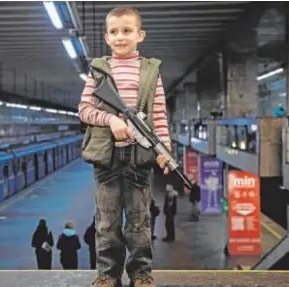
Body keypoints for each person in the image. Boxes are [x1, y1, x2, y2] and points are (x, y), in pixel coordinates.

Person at [78, 6, 172, 287]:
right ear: (107, 38)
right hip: (107, 156)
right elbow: (84, 110)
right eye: (114, 32)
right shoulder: (98, 71)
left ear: (140, 35)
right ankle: (107, 275)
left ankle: (141, 274)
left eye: (127, 31)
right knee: (106, 220)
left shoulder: (151, 72)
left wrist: (164, 150)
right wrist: (110, 120)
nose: (121, 37)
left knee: (139, 220)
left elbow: (158, 117)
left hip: (139, 155)